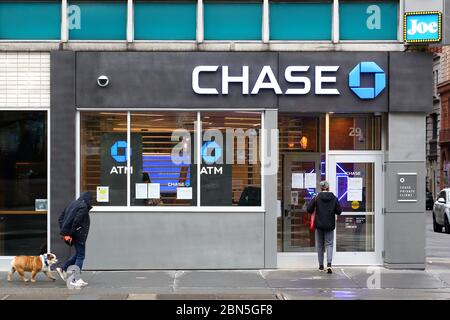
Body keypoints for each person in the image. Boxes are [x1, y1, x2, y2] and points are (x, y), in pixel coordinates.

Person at [55, 191, 93, 288]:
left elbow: (61, 218)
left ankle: (63, 268)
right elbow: (76, 221)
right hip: (78, 235)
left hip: (73, 234)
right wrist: (69, 234)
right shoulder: (83, 206)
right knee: (81, 256)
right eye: (91, 200)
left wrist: (65, 233)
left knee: (77, 254)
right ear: (88, 199)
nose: (91, 202)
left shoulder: (72, 204)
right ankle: (75, 279)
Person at [307, 180, 342, 274]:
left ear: (321, 188)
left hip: (319, 225)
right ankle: (329, 264)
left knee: (320, 245)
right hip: (330, 225)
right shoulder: (334, 198)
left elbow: (309, 209)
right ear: (328, 188)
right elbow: (339, 211)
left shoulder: (316, 197)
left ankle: (321, 266)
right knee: (329, 244)